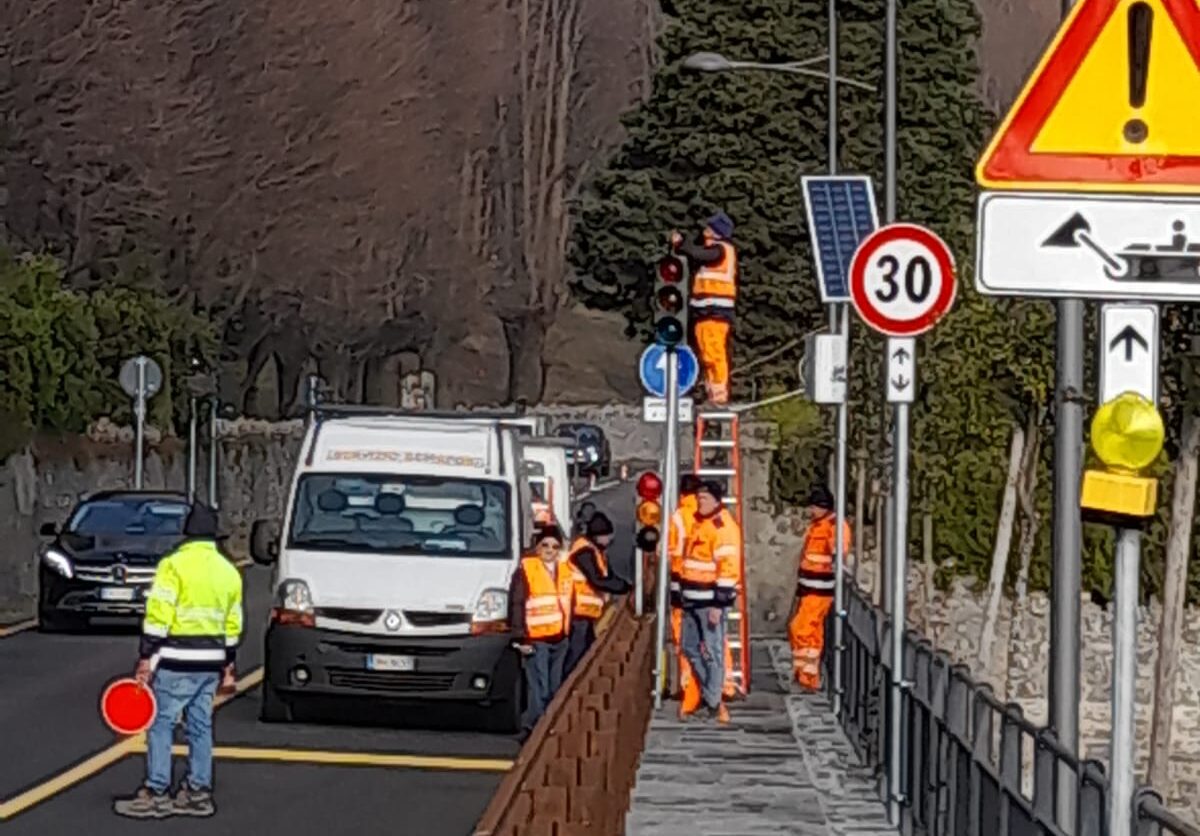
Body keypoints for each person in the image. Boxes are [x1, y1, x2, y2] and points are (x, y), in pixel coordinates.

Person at [113, 503, 243, 819]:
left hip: (176, 658)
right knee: (200, 725)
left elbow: (159, 616)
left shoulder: (173, 566)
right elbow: (233, 623)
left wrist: (146, 656)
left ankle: (157, 792)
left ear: (187, 533)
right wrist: (227, 662)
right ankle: (198, 792)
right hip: (211, 661)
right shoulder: (229, 571)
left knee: (161, 723)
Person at [676, 481, 740, 723]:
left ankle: (713, 701)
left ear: (716, 500)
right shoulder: (699, 523)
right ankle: (709, 694)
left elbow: (728, 568)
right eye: (698, 498)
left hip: (708, 602)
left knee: (712, 651)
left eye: (703, 499)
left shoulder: (722, 527)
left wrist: (719, 604)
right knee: (690, 648)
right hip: (691, 600)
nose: (699, 502)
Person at [509, 524, 574, 740]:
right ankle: (532, 729)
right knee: (540, 688)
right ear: (537, 546)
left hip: (559, 639)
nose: (550, 549)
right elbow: (517, 604)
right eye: (545, 544)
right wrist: (520, 637)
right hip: (536, 639)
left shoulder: (565, 571)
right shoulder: (526, 570)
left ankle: (545, 729)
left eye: (555, 546)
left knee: (554, 688)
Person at [789, 484, 852, 690]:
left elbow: (837, 555)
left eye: (814, 507)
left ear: (823, 507)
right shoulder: (819, 525)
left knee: (801, 629)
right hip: (810, 588)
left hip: (820, 589)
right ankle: (805, 675)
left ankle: (807, 676)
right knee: (810, 632)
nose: (810, 511)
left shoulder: (834, 526)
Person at [671, 211, 738, 405]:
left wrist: (681, 243)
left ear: (717, 231)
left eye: (709, 228)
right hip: (706, 310)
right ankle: (713, 392)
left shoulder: (720, 250)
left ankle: (719, 394)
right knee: (707, 353)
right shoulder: (714, 250)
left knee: (714, 352)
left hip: (716, 310)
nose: (705, 231)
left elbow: (697, 253)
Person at [564, 512, 630, 675]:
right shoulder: (584, 551)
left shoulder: (596, 551)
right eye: (608, 536)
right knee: (577, 655)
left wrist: (625, 585)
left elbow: (609, 577)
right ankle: (567, 686)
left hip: (588, 614)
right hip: (578, 613)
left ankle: (574, 684)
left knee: (586, 652)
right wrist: (624, 587)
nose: (610, 540)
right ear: (599, 535)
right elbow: (597, 580)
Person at [669, 473, 702, 713]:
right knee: (712, 635)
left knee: (684, 635)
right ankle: (723, 683)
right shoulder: (709, 516)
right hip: (708, 584)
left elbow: (670, 551)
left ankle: (688, 684)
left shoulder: (679, 517)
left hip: (682, 581)